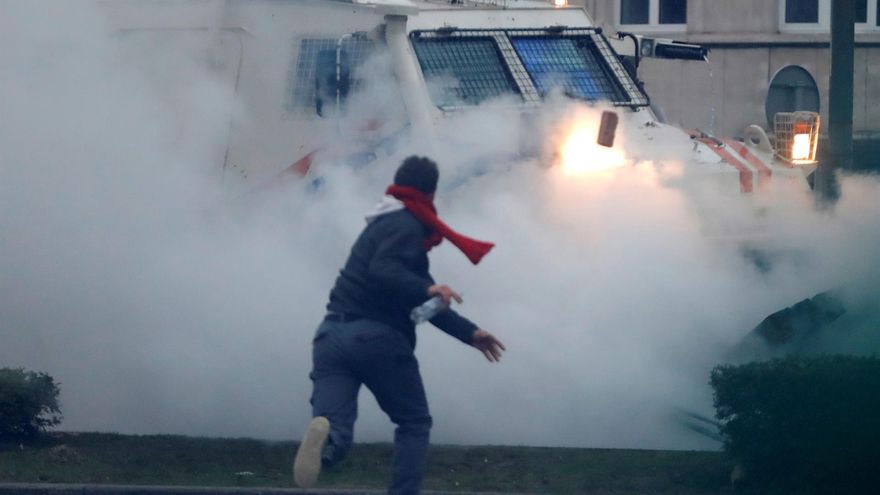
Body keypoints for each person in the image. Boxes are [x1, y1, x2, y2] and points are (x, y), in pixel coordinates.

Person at [293, 155, 506, 494]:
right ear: (431, 193)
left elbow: (419, 299)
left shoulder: (379, 225)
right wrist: (427, 287)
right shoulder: (405, 225)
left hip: (331, 336)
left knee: (332, 428)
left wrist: (469, 332)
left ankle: (327, 443)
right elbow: (386, 271)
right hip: (377, 338)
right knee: (414, 422)